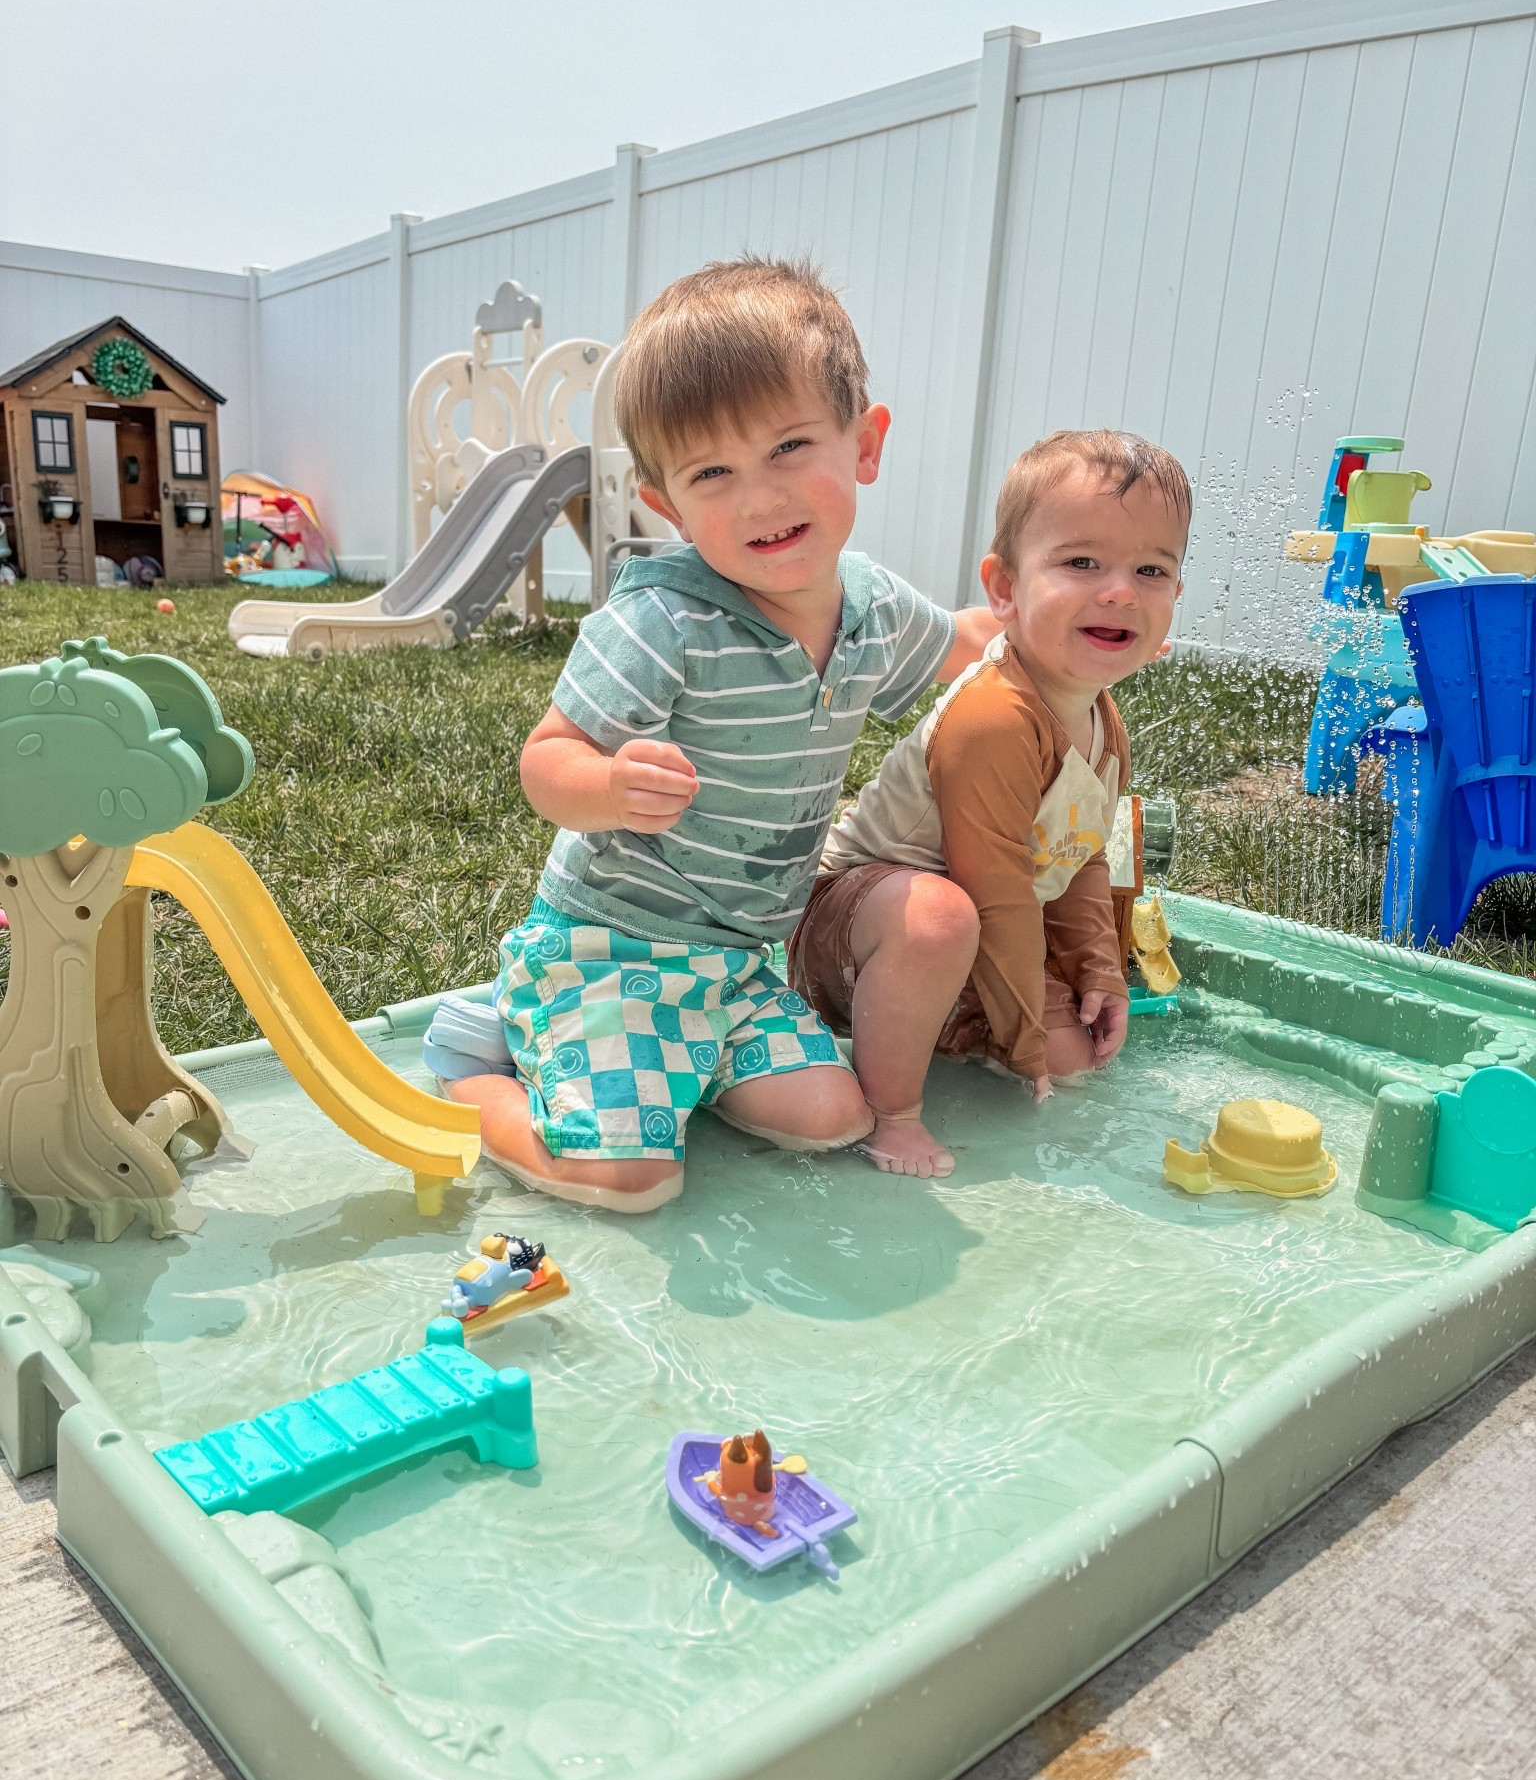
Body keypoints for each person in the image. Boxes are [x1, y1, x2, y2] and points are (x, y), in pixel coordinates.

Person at [423, 257, 994, 1210]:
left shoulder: (875, 609)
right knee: (629, 1178)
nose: (759, 498)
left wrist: (1057, 618)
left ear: (865, 443)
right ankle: (476, 1070)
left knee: (834, 1118)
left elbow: (970, 644)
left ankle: (675, 1073)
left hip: (733, 969)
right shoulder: (664, 622)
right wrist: (609, 787)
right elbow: (547, 759)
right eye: (712, 473)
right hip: (609, 954)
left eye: (789, 447)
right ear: (668, 504)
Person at [788, 429, 1191, 1178]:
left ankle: (956, 1030)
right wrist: (1023, 1034)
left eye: (1151, 571)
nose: (1119, 591)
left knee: (1075, 1060)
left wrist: (1099, 971)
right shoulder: (995, 716)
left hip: (966, 926)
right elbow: (997, 892)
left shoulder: (1102, 722)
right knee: (962, 944)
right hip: (850, 935)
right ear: (1004, 589)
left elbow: (1079, 858)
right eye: (1081, 563)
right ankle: (890, 1114)